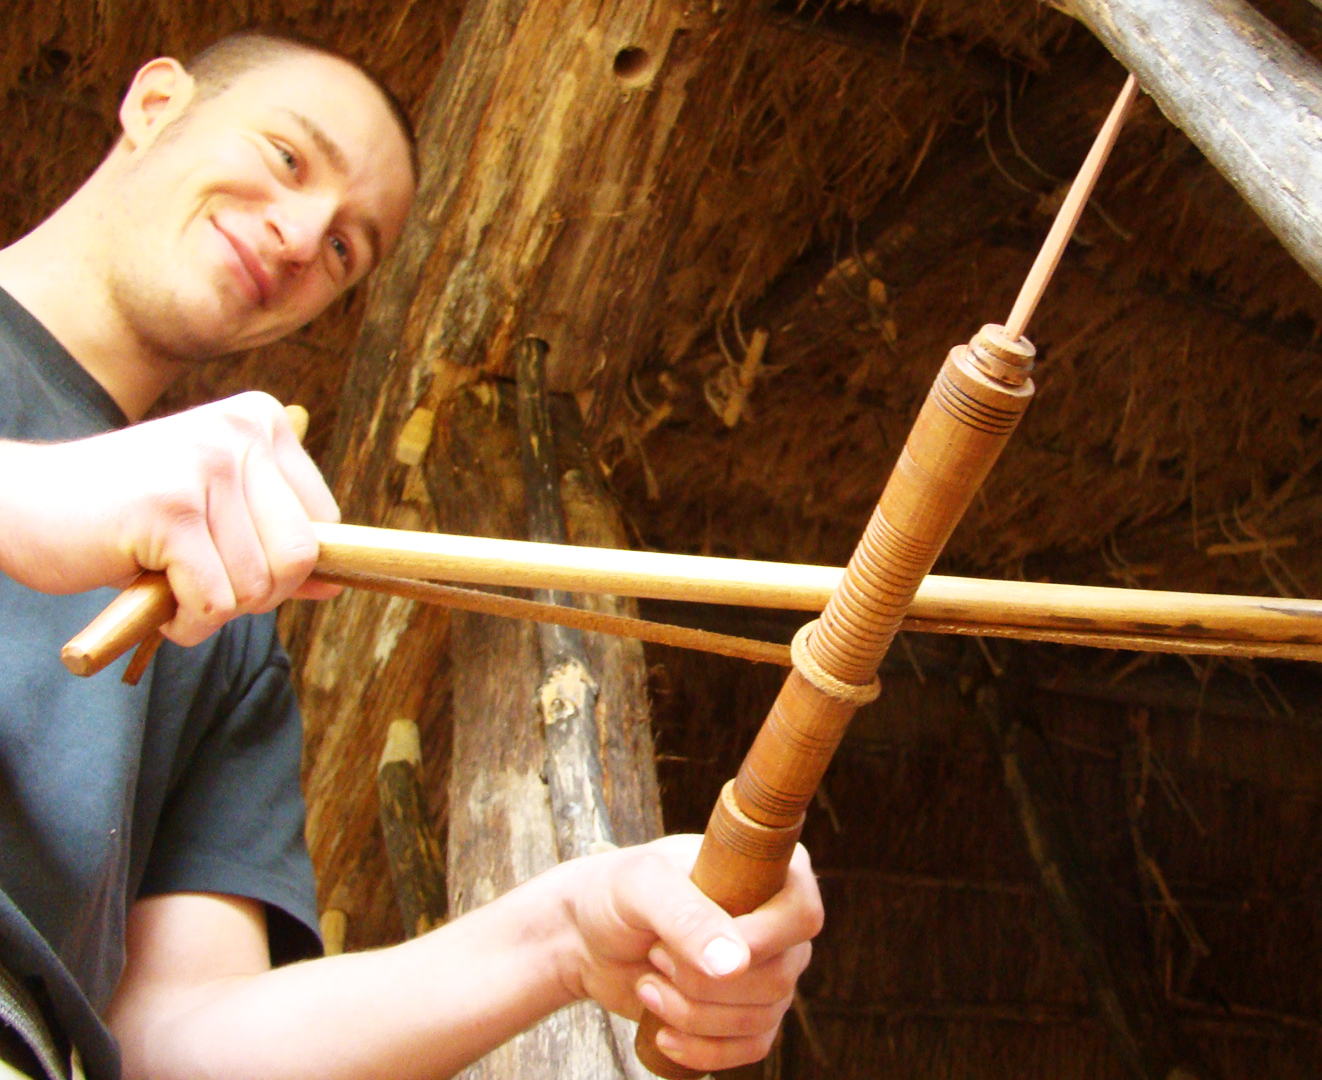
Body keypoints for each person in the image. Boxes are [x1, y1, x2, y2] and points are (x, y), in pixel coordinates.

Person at [0, 32, 821, 1080]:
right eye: (290, 158)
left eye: (348, 248)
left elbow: (177, 1045)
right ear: (154, 104)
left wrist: (569, 929)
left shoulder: (224, 607)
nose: (301, 237)